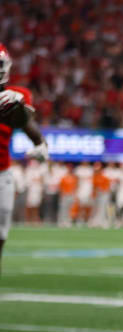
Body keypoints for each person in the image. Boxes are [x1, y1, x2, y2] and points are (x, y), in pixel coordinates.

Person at [0, 43, 48, 274]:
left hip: (2, 174)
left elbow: (22, 122)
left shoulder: (16, 94)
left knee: (0, 235)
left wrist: (40, 143)